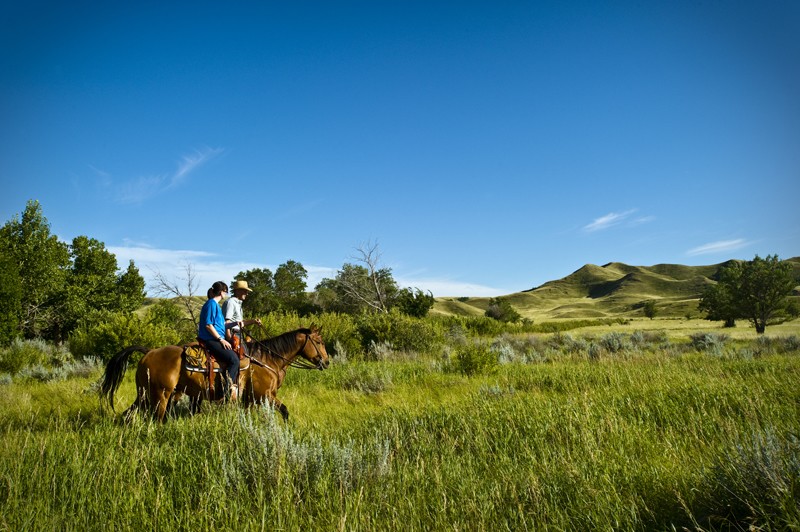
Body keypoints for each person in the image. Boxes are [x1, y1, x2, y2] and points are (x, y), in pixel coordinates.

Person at [198, 281, 240, 401]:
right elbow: (208, 325)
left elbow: (221, 326)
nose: (226, 294)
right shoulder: (211, 304)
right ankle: (225, 392)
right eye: (226, 292)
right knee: (234, 360)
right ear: (222, 292)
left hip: (214, 338)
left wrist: (236, 323)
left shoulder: (215, 305)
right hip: (210, 339)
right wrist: (221, 339)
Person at [222, 280, 262, 354]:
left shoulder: (238, 304)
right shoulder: (231, 302)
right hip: (233, 334)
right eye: (244, 291)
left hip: (238, 334)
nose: (246, 293)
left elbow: (240, 323)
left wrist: (253, 321)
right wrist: (229, 338)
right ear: (237, 291)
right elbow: (227, 321)